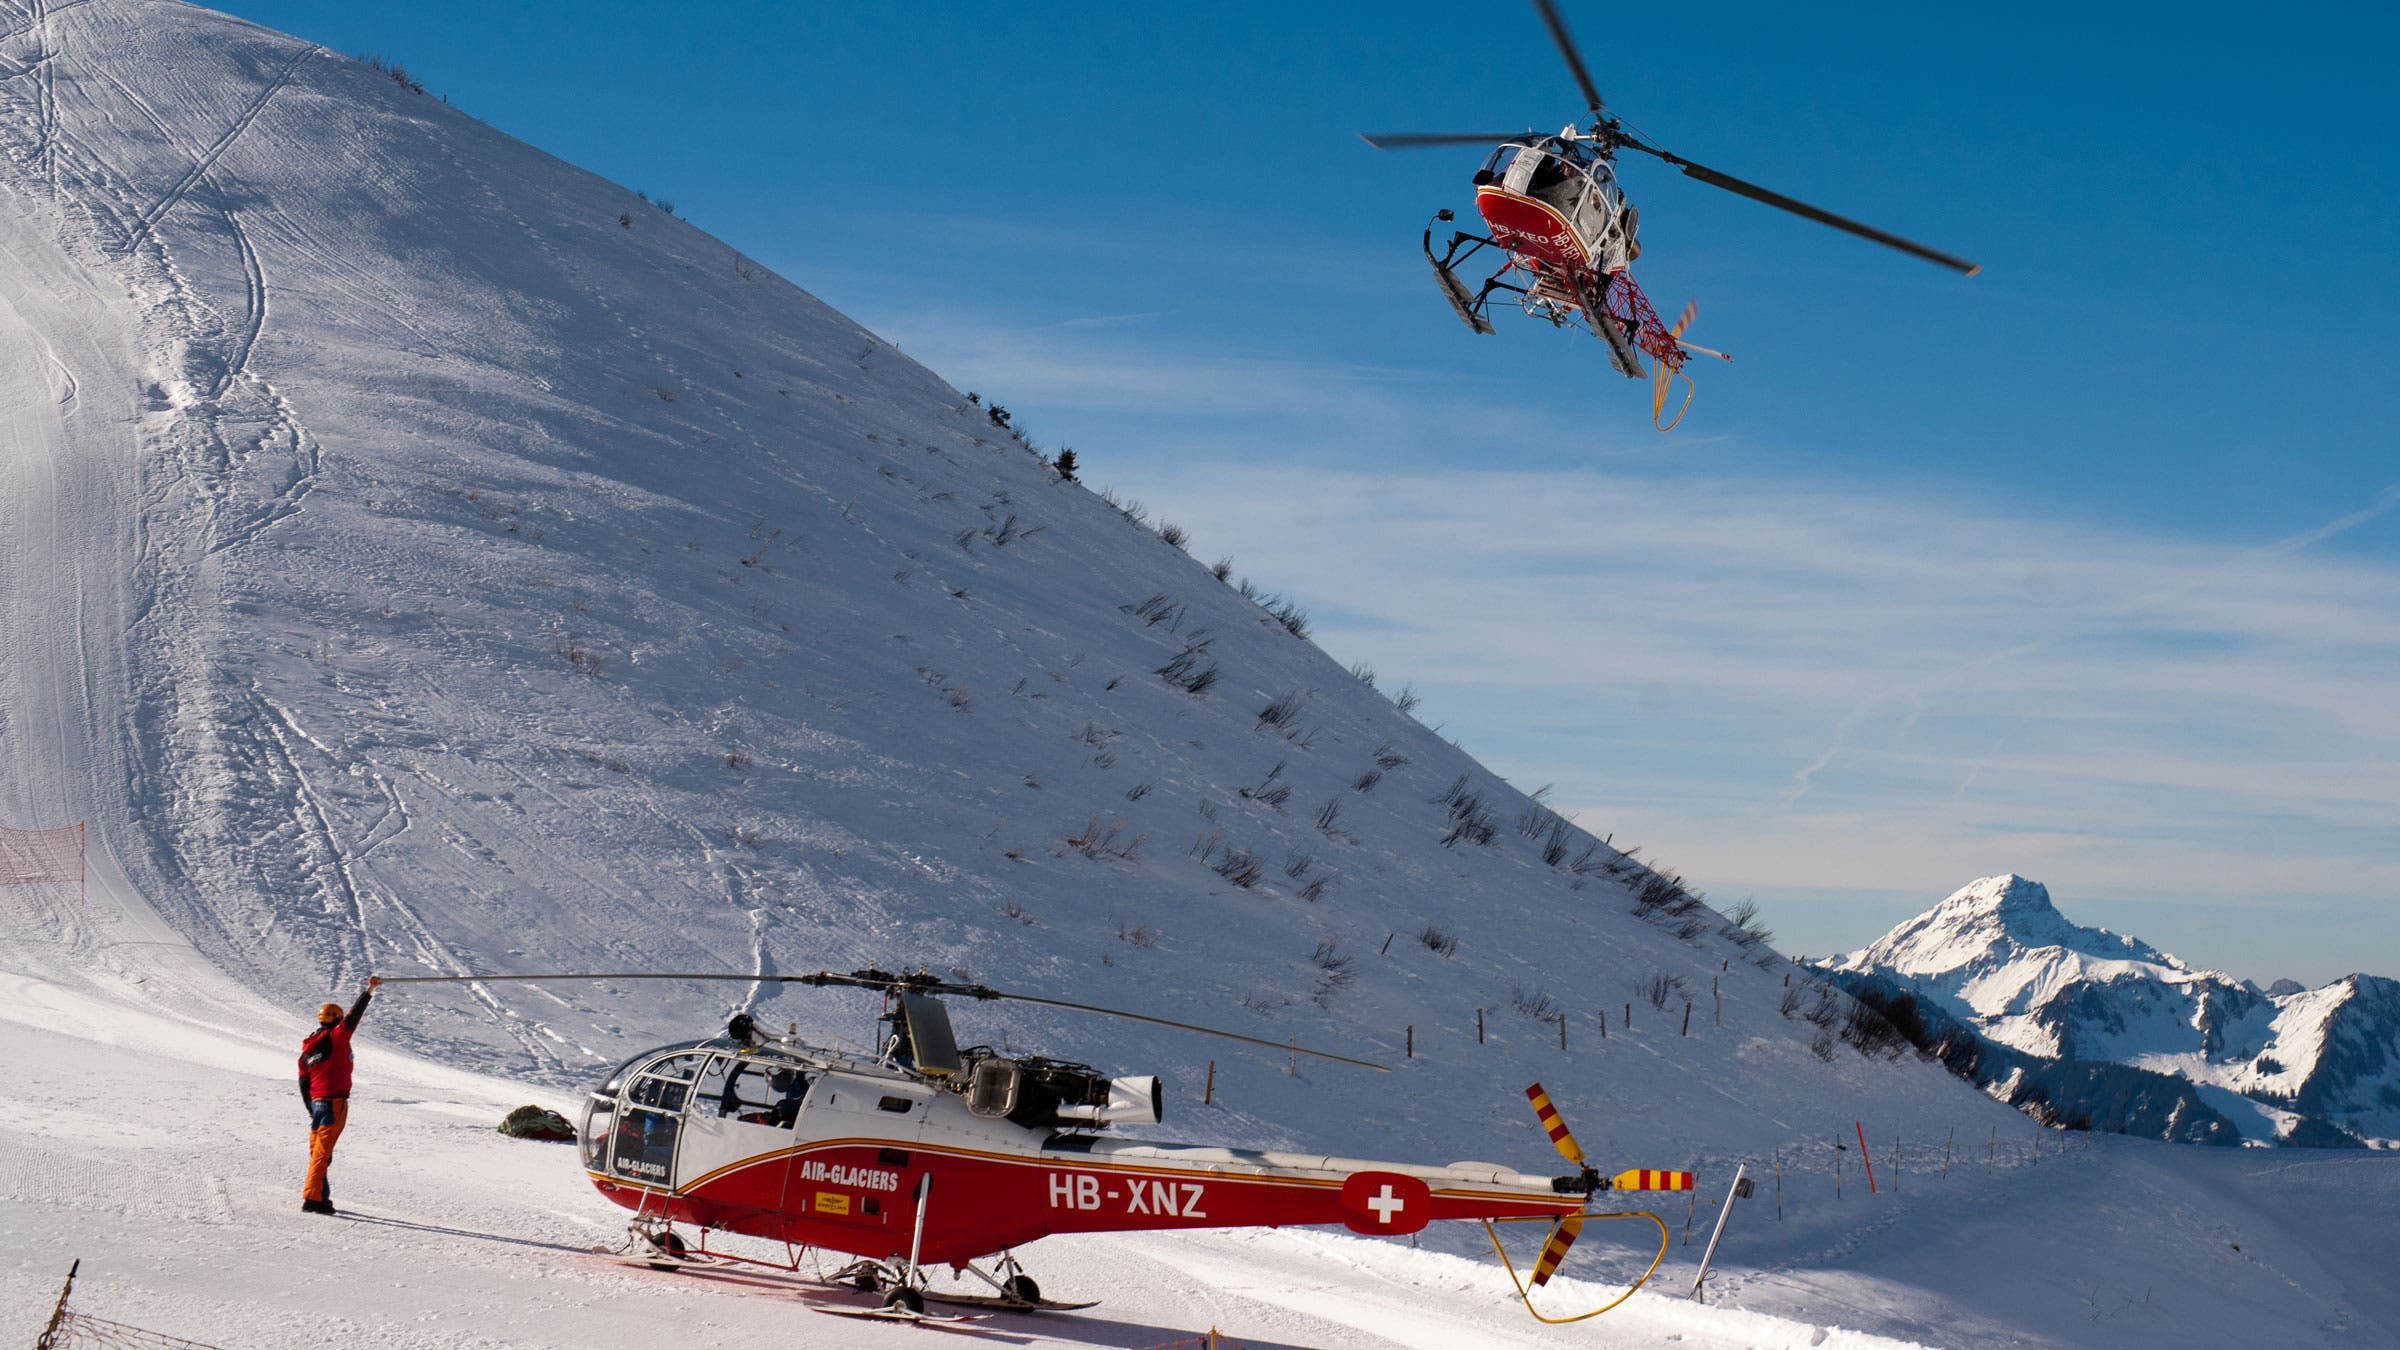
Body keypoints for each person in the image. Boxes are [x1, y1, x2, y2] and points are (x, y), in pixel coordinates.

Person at [298, 977, 381, 1215]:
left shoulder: (308, 1048)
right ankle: (313, 1198)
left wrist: (310, 1108)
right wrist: (369, 991)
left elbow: (303, 1081)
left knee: (319, 1152)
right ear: (335, 1020)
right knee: (322, 1153)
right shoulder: (336, 1037)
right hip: (334, 1103)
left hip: (318, 1103)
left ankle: (321, 1196)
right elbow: (352, 1020)